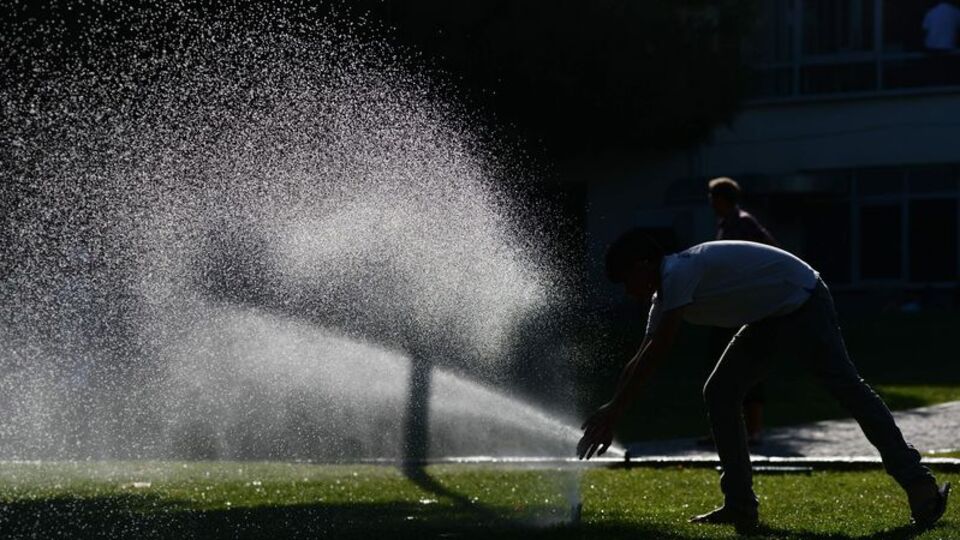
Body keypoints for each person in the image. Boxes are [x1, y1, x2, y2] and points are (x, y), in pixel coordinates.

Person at [577, 232, 950, 531]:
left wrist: (616, 410)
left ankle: (919, 485)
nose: (628, 291)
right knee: (720, 391)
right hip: (769, 316)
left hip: (803, 299)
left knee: (849, 390)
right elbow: (641, 355)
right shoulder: (665, 294)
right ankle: (740, 507)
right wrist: (612, 410)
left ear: (644, 265)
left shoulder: (677, 273)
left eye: (627, 280)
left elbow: (659, 350)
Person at [706, 177, 778, 446]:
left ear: (722, 198)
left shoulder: (743, 222)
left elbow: (770, 250)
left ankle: (754, 430)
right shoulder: (725, 224)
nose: (710, 202)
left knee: (748, 366)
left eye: (712, 196)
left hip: (744, 307)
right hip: (727, 307)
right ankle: (725, 429)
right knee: (720, 368)